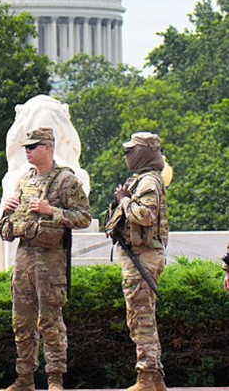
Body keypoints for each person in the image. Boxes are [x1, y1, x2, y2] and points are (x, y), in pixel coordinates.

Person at [0, 127, 91, 391]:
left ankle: (54, 378)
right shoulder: (24, 180)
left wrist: (53, 211)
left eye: (33, 146)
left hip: (50, 261)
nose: (27, 151)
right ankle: (24, 378)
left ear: (48, 147)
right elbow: (8, 225)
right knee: (21, 320)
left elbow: (83, 217)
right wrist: (6, 212)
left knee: (50, 320)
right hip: (24, 258)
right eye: (26, 147)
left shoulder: (66, 181)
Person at [111, 133, 169, 391]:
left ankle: (146, 377)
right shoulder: (143, 179)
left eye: (131, 151)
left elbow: (145, 215)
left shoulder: (148, 182)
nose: (126, 156)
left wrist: (124, 200)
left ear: (144, 152)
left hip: (142, 257)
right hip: (139, 256)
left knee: (140, 317)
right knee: (142, 316)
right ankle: (154, 378)